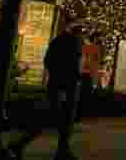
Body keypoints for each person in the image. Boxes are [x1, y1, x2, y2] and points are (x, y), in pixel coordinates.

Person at [7, 21, 85, 160]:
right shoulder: (69, 43)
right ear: (76, 32)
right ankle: (20, 144)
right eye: (81, 32)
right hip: (65, 86)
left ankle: (59, 149)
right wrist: (68, 77)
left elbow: (49, 61)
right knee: (54, 118)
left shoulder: (61, 41)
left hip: (60, 85)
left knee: (54, 118)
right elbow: (61, 64)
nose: (82, 36)